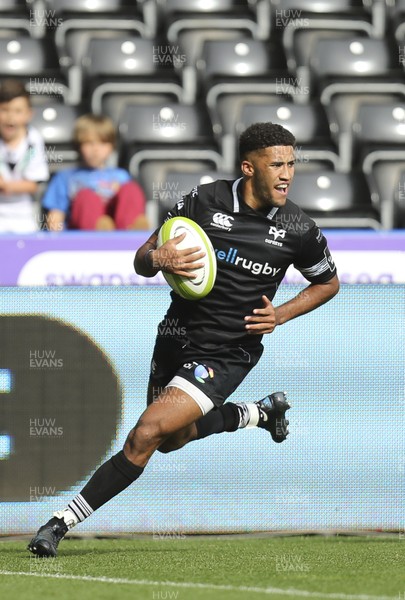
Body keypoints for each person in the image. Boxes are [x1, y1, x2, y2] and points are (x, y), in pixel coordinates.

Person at [28, 121, 339, 557]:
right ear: (249, 168)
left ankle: (57, 524)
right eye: (276, 165)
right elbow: (141, 258)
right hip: (175, 336)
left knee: (146, 434)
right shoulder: (205, 200)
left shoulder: (297, 229)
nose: (287, 173)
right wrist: (158, 256)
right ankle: (258, 413)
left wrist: (281, 315)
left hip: (228, 351)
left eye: (291, 164)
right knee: (171, 440)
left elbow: (328, 284)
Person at [42, 114, 148, 231]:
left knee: (131, 189)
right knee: (86, 197)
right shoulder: (65, 177)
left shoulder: (121, 176)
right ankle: (99, 230)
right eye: (89, 143)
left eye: (103, 142)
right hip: (83, 236)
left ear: (112, 146)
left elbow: (130, 203)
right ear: (78, 145)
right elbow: (55, 216)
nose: (96, 149)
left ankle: (132, 229)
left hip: (120, 230)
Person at [0, 79, 49, 233]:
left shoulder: (33, 141)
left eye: (18, 111)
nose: (10, 117)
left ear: (29, 114)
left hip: (24, 214)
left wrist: (7, 186)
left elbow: (33, 184)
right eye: (5, 110)